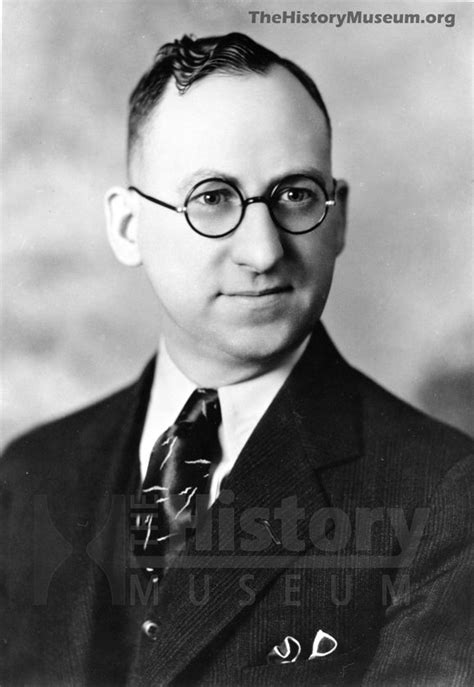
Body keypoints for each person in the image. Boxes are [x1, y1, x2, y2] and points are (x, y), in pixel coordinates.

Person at [1, 32, 472, 687]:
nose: (262, 250)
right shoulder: (30, 475)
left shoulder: (447, 498)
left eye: (296, 195)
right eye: (213, 198)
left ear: (337, 220)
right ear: (128, 227)